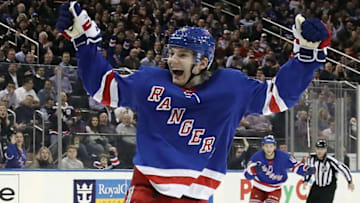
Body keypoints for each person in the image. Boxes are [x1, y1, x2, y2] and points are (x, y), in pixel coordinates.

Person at [56, 3, 330, 202]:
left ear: (202, 62)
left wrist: (305, 57)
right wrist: (84, 42)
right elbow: (102, 88)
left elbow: (280, 96)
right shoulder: (151, 81)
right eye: (172, 53)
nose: (173, 60)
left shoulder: (231, 88)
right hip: (148, 190)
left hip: (198, 195)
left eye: (183, 55)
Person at [244, 135, 315, 203]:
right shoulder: (256, 157)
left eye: (271, 146)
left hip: (275, 189)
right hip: (258, 188)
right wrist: (252, 171)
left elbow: (296, 166)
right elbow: (247, 175)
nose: (269, 149)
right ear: (263, 147)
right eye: (266, 146)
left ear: (275, 146)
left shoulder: (284, 157)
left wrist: (305, 169)